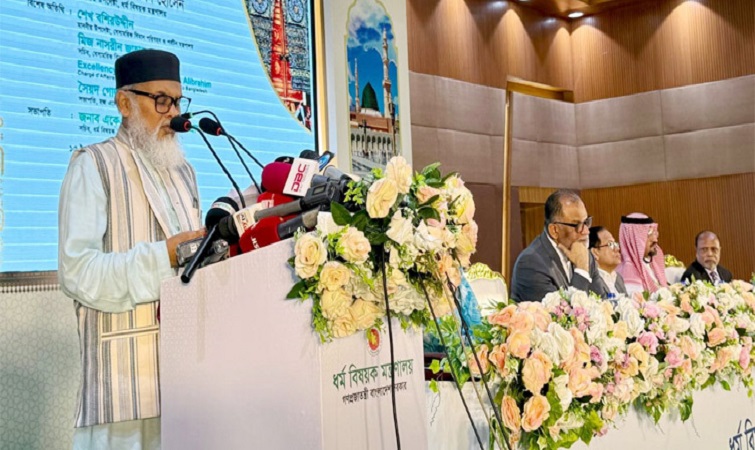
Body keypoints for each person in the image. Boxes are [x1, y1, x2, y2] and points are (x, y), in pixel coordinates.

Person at [58, 49, 205, 449]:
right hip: (121, 386)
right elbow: (77, 272)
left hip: (184, 382)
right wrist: (163, 258)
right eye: (161, 101)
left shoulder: (184, 172)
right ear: (125, 103)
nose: (174, 115)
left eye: (178, 101)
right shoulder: (93, 165)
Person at [510, 189, 607, 302]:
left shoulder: (585, 255)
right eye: (576, 225)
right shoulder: (531, 263)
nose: (586, 231)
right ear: (554, 230)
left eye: (586, 222)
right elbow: (562, 312)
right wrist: (581, 269)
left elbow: (602, 302)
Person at [617, 213, 667, 294]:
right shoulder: (628, 274)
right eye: (648, 234)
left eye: (654, 233)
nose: (655, 240)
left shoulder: (651, 263)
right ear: (633, 240)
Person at [589, 226, 627, 296]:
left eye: (615, 244)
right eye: (610, 244)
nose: (617, 248)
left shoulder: (618, 278)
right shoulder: (591, 281)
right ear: (595, 252)